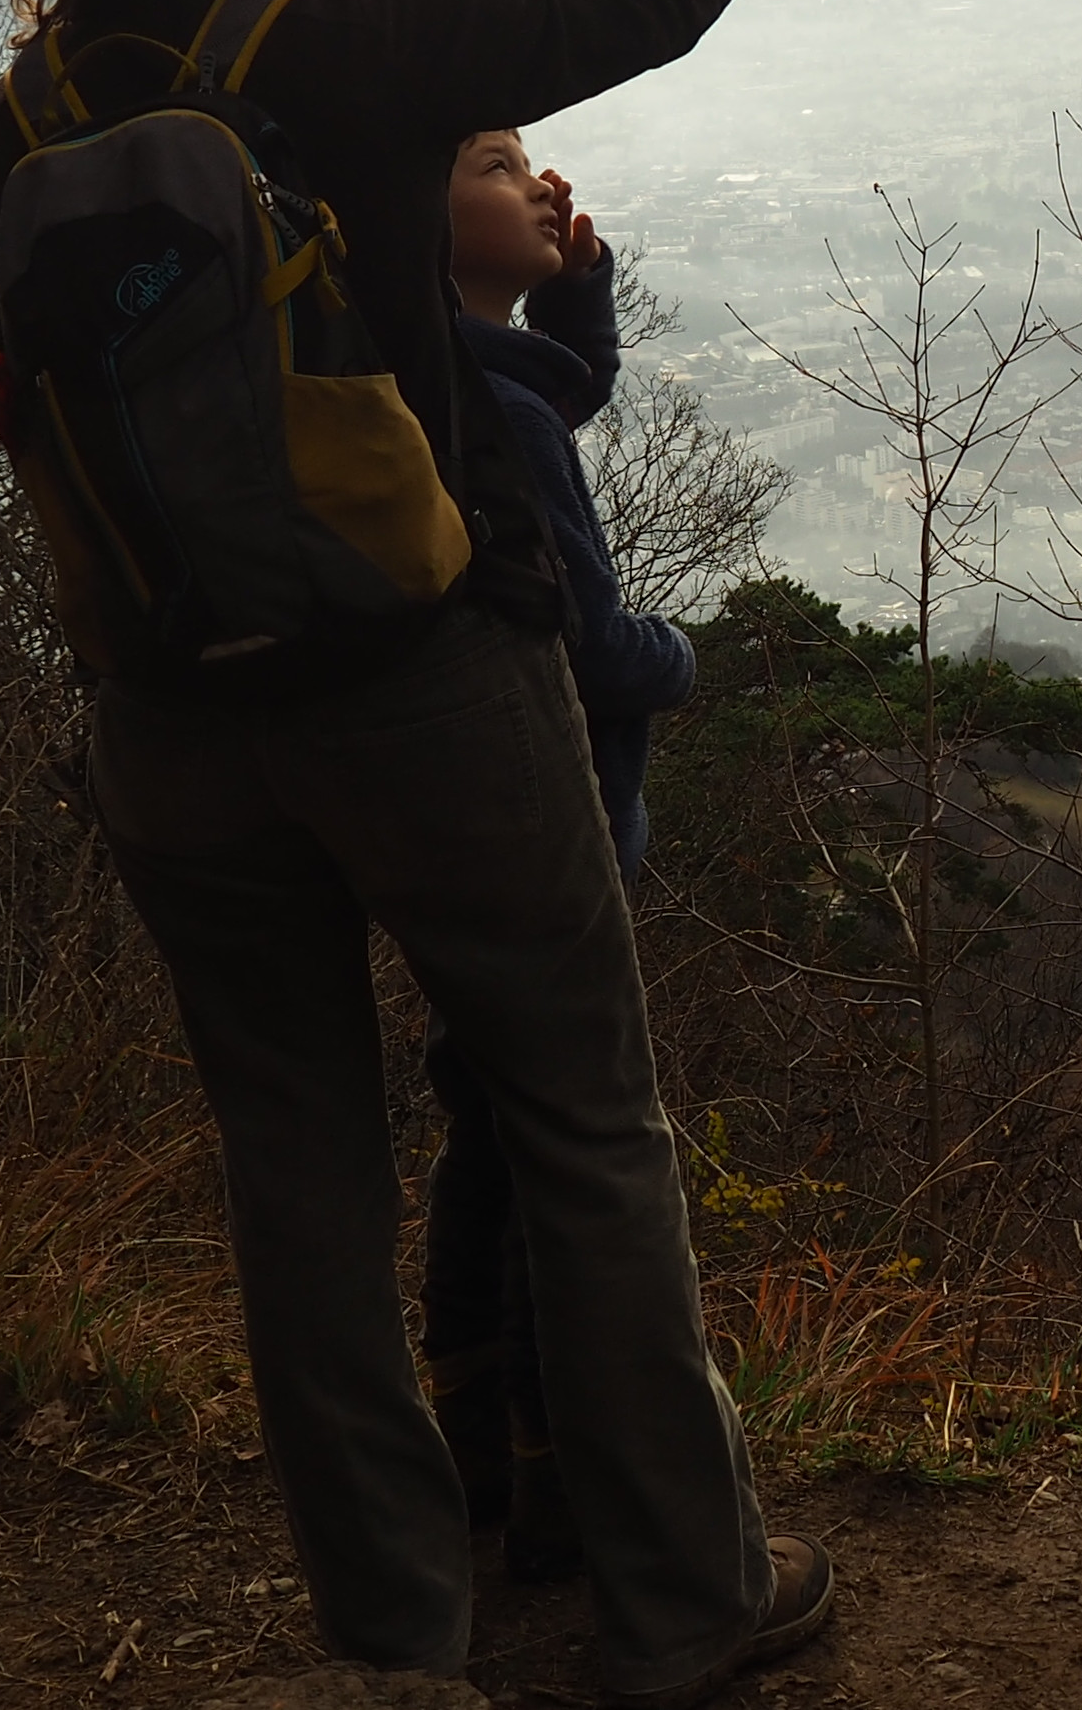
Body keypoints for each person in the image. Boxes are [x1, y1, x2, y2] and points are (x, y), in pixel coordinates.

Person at [0, 0, 864, 1710]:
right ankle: (681, 1599)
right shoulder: (348, 48)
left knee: (297, 1175)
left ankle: (391, 1644)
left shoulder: (19, 129)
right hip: (427, 683)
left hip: (170, 716)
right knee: (578, 1120)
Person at [422, 136, 695, 1585]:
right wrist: (683, 652)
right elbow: (596, 651)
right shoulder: (496, 415)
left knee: (488, 1128)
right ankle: (556, 1483)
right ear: (416, 206)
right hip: (551, 816)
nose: (540, 183)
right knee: (560, 1155)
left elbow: (559, 383)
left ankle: (467, 1443)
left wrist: (578, 289)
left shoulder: (433, 364)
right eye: (491, 161)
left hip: (450, 813)